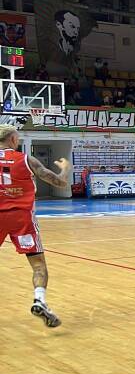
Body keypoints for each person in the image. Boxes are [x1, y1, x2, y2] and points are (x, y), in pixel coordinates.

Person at [0, 125, 70, 327]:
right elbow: (59, 183)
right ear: (13, 139)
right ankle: (40, 300)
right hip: (21, 218)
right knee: (38, 265)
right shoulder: (26, 159)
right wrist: (65, 169)